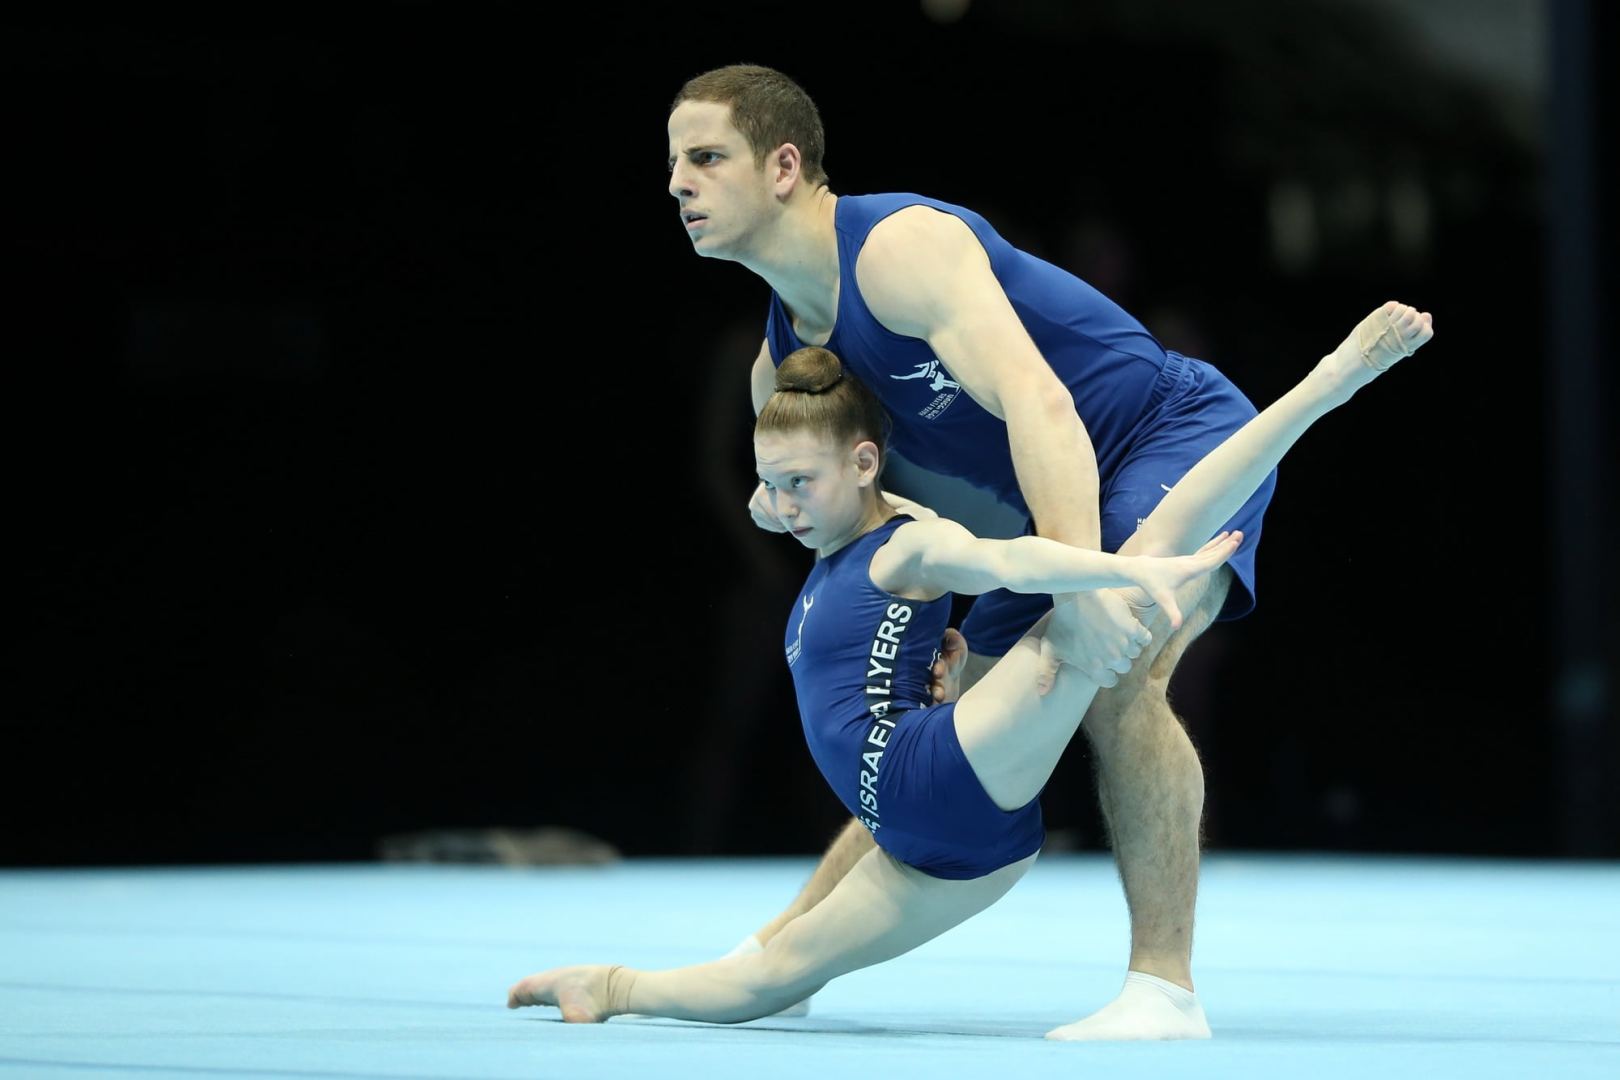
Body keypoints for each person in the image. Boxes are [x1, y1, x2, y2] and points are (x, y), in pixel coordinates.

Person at [508, 302, 1435, 1034]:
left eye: (800, 484)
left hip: (948, 772)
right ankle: (610, 986)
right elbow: (780, 497)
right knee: (769, 979)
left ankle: (1328, 381)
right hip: (925, 844)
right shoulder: (825, 531)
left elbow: (1010, 561)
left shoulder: (910, 544)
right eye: (772, 484)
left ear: (865, 465)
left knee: (1110, 603)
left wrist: (1117, 575)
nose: (782, 505)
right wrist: (779, 485)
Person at [666, 61, 1281, 1039]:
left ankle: (1165, 989)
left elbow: (1042, 404)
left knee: (1115, 667)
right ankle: (781, 955)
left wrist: (1079, 593)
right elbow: (883, 528)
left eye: (705, 158)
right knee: (929, 742)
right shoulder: (780, 373)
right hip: (1055, 504)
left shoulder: (899, 251)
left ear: (784, 167)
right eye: (673, 165)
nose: (678, 184)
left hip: (1170, 436)